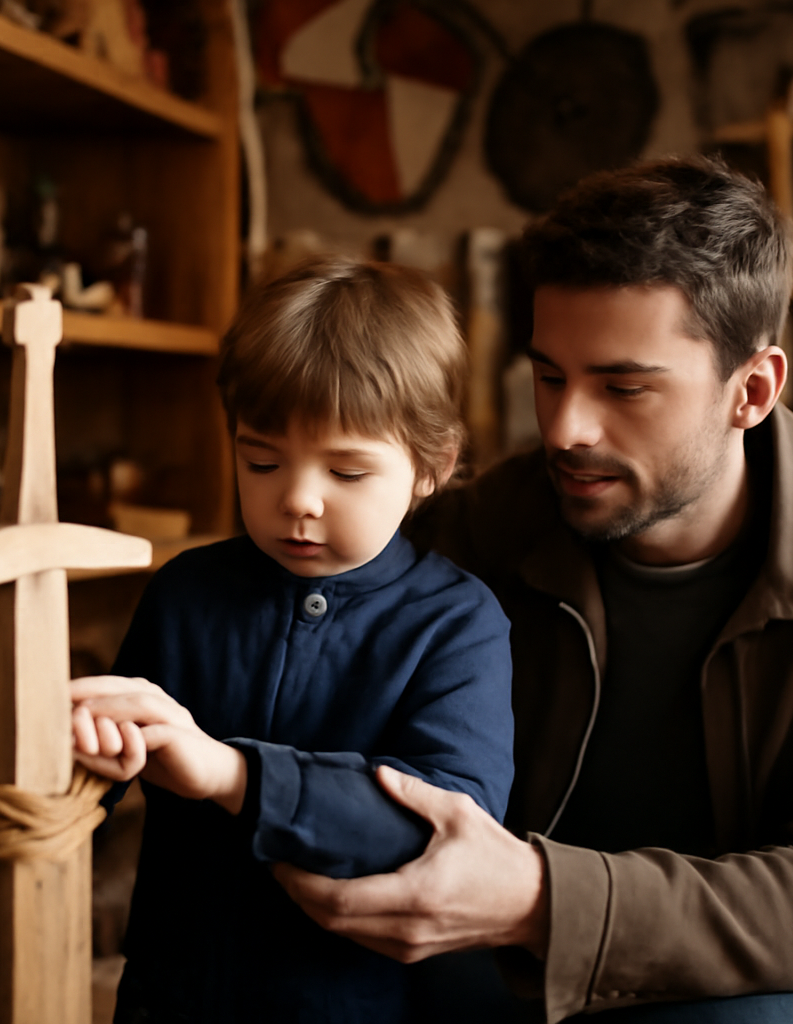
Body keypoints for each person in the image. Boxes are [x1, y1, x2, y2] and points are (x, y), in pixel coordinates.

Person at [274, 157, 793, 1023]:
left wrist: (542, 898)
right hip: (498, 963)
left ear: (752, 390)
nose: (566, 428)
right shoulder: (471, 529)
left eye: (624, 387)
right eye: (549, 376)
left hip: (744, 975)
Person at [68, 256, 516, 1023]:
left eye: (347, 472)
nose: (299, 498)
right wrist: (68, 753)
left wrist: (232, 774)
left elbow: (444, 825)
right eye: (262, 460)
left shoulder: (457, 623)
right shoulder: (185, 593)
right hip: (172, 994)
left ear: (431, 468)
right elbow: (96, 781)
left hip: (351, 1005)